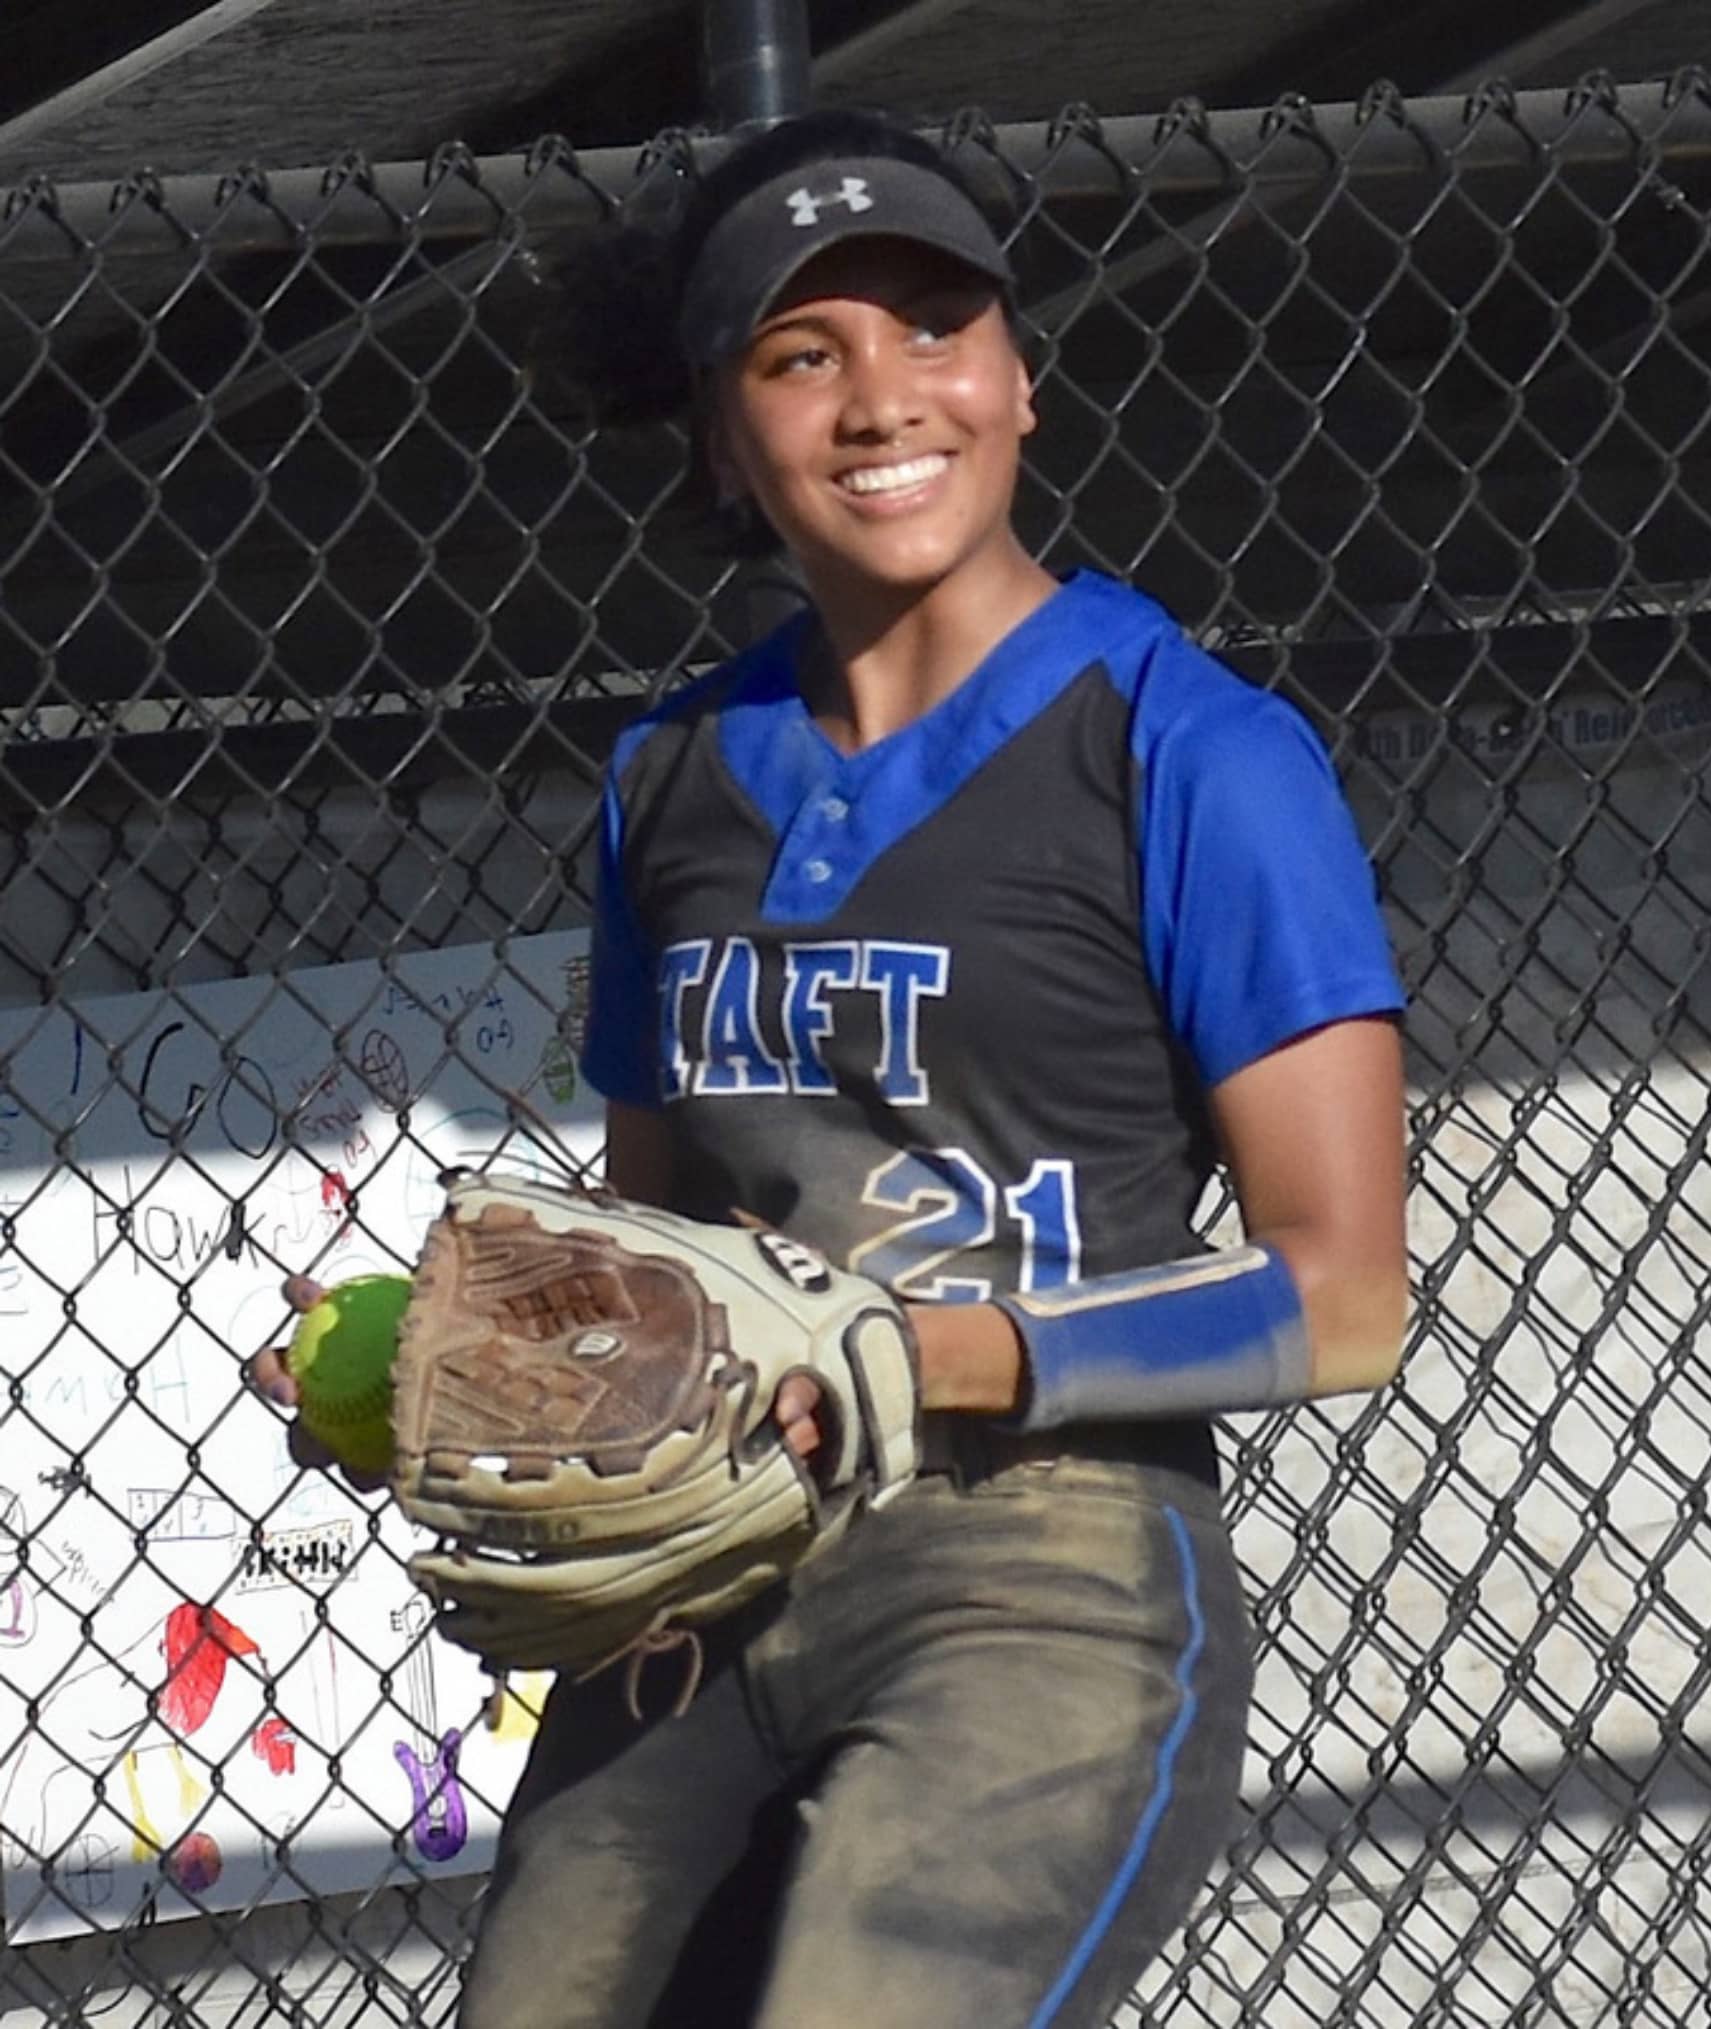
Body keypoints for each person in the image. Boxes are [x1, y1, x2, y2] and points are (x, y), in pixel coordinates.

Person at [255, 106, 1408, 2029]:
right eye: (804, 354)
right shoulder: (677, 774)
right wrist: (445, 1345)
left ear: (1021, 379)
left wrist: (940, 1353)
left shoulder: (1190, 749)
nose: (885, 396)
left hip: (1038, 1554)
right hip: (704, 1572)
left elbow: (1345, 1289)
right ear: (723, 433)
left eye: (936, 325)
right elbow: (659, 1229)